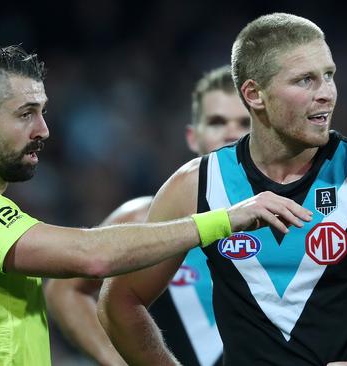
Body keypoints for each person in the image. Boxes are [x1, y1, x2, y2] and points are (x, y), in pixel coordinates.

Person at [98, 13, 347, 366]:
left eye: (329, 75)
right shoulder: (199, 184)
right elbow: (119, 300)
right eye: (305, 80)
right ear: (254, 95)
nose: (326, 92)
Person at [0, 41, 313, 365]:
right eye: (25, 113)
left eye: (43, 111)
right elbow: (90, 258)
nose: (44, 129)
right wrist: (225, 219)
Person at [46, 65, 251, 366]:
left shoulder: (293, 216)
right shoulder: (148, 217)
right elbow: (65, 291)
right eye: (217, 122)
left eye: (244, 122)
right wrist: (119, 361)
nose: (232, 133)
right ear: (193, 137)